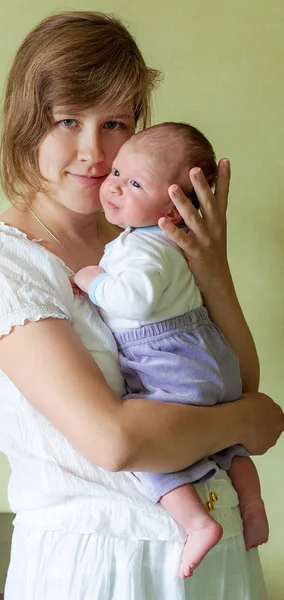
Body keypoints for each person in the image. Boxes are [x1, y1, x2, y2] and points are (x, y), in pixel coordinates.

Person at [0, 11, 283, 600]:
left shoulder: (139, 242)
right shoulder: (1, 264)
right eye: (67, 121)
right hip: (102, 565)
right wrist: (247, 421)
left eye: (115, 124)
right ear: (27, 122)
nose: (94, 152)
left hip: (219, 553)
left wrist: (212, 264)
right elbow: (115, 441)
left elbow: (229, 378)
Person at [71, 121, 269, 578]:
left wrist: (92, 280)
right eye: (118, 172)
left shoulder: (147, 248)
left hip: (167, 359)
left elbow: (133, 298)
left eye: (135, 183)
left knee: (155, 452)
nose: (114, 186)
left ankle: (197, 523)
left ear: (175, 209)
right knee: (226, 443)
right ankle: (252, 504)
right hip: (207, 353)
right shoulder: (168, 245)